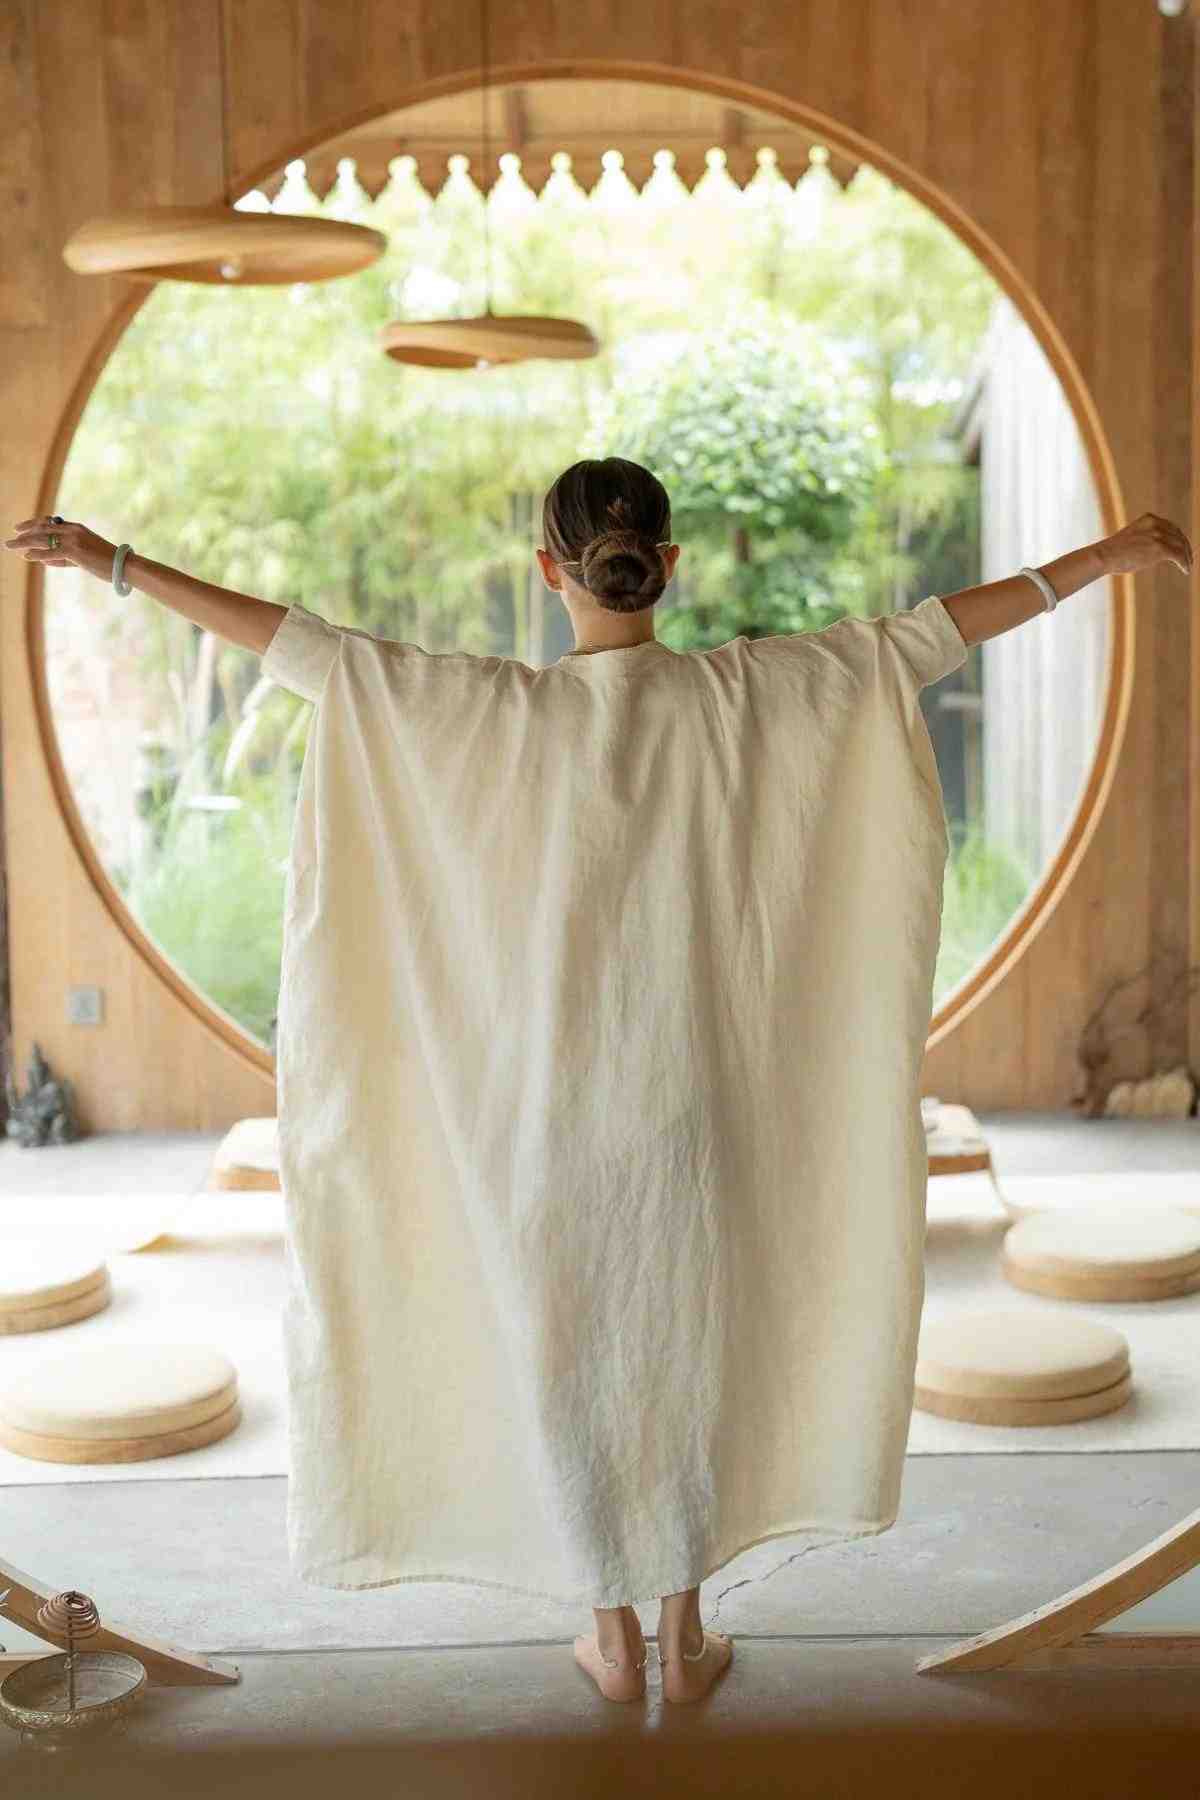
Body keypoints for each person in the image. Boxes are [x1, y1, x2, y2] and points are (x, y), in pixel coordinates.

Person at [5, 467, 1191, 1708]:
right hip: (704, 1115)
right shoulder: (754, 696)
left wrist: (115, 562)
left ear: (548, 569)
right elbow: (931, 635)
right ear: (667, 564)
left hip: (540, 1121)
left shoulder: (481, 710)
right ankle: (685, 1637)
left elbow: (306, 647)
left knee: (580, 1352)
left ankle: (612, 1638)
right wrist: (1100, 558)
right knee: (684, 1346)